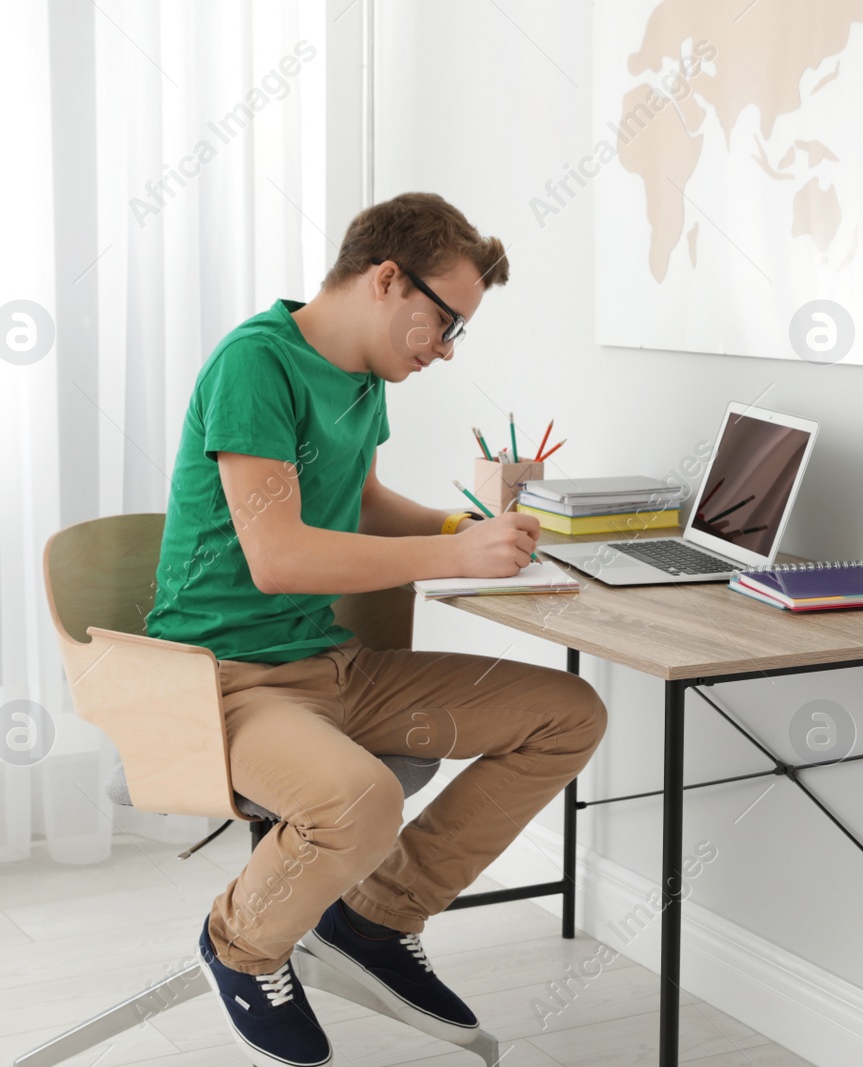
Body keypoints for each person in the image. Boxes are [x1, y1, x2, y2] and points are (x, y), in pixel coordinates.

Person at [144, 192, 607, 1066]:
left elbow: (358, 502)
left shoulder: (360, 378)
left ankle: (374, 918)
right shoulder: (258, 363)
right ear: (387, 279)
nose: (445, 349)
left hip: (329, 663)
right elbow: (277, 555)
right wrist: (453, 561)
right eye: (443, 323)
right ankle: (240, 943)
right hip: (222, 675)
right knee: (362, 799)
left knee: (568, 712)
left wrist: (458, 535)